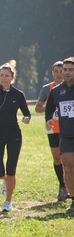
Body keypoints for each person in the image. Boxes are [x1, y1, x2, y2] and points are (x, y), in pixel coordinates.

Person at [0, 60, 31, 213]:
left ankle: (8, 201)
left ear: (12, 77)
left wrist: (27, 118)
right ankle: (4, 180)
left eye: (6, 76)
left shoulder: (18, 94)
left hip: (14, 133)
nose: (4, 78)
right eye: (1, 75)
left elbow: (27, 112)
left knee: (11, 168)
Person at [35, 61, 68, 201]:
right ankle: (62, 187)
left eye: (62, 71)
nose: (59, 74)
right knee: (57, 158)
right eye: (57, 71)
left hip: (68, 127)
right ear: (52, 73)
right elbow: (38, 108)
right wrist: (51, 109)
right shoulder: (47, 88)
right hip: (53, 128)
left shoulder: (70, 87)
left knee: (69, 158)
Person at [45, 56, 74, 213]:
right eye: (65, 70)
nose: (67, 73)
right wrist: (49, 119)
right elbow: (49, 107)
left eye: (71, 70)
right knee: (68, 167)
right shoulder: (57, 91)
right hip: (67, 136)